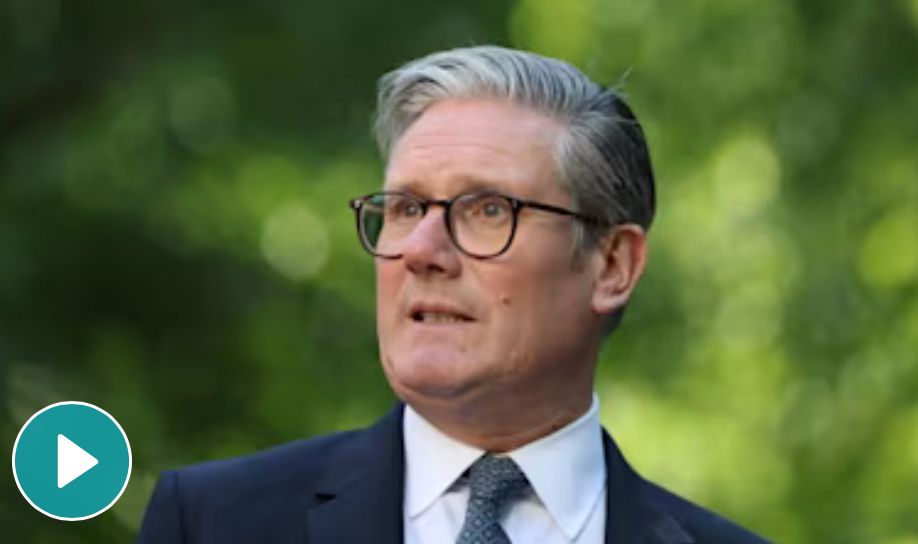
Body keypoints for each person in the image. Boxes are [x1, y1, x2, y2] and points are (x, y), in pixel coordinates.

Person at [137, 45, 769, 543]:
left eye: (488, 209)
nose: (420, 251)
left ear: (612, 265)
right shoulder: (212, 524)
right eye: (407, 207)